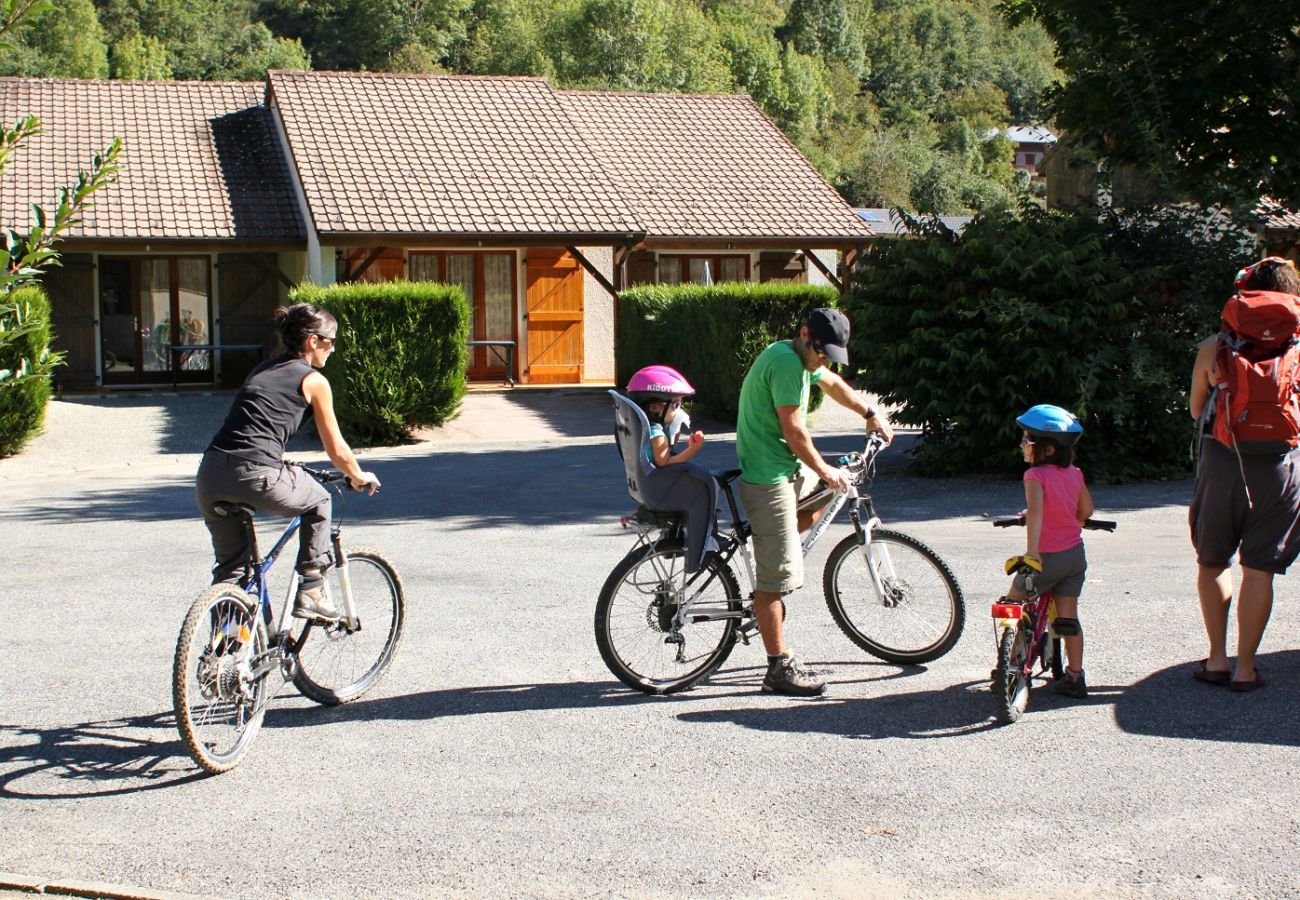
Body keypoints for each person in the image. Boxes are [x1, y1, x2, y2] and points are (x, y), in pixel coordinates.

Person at [735, 307, 894, 696]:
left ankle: (775, 548)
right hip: (768, 475)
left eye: (830, 355)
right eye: (822, 353)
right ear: (805, 334)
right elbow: (795, 431)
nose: (824, 361)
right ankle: (776, 668)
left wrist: (870, 412)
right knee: (775, 578)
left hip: (785, 466)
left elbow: (834, 385)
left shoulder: (805, 357)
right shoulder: (788, 363)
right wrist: (824, 469)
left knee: (827, 497)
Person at [195, 303, 380, 622]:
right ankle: (312, 588)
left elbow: (252, 427)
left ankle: (228, 656)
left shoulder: (262, 369)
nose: (333, 348)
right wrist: (358, 475)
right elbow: (337, 449)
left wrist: (279, 461)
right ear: (313, 341)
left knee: (232, 572)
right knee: (319, 500)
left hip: (210, 474)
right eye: (331, 341)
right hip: (255, 474)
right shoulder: (314, 381)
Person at [1188, 256, 1300, 692]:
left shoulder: (1214, 347)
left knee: (1213, 560)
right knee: (1259, 570)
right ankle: (1247, 668)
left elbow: (1198, 410)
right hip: (1280, 467)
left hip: (1222, 460)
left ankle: (1216, 659)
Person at [1003, 405, 1094, 699]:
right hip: (1074, 557)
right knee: (1068, 618)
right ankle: (1075, 677)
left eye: (1027, 440)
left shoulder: (1034, 476)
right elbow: (1086, 511)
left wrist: (1033, 553)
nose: (1023, 445)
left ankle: (1009, 664)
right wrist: (1072, 520)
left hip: (1047, 557)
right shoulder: (1075, 473)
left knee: (1014, 602)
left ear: (1048, 449)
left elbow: (1038, 513)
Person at [621, 365, 716, 573]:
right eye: (675, 405)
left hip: (651, 486)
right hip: (659, 487)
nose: (679, 410)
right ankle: (704, 541)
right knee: (706, 485)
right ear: (656, 407)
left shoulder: (652, 429)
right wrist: (693, 450)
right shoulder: (655, 432)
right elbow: (664, 461)